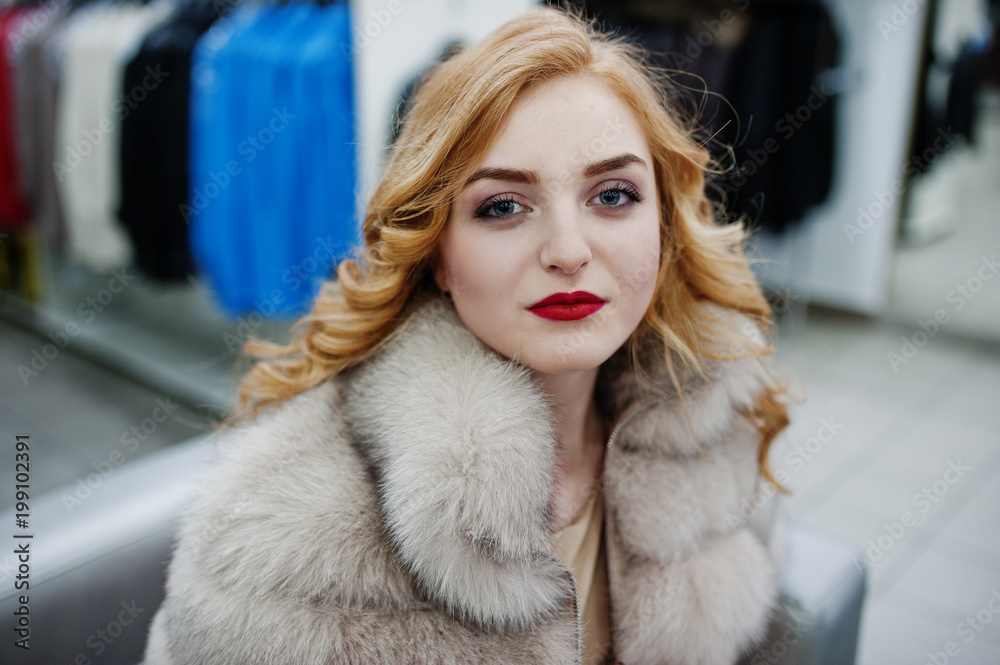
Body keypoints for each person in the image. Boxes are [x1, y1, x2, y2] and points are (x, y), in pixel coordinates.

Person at [142, 7, 791, 665]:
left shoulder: (708, 430)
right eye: (503, 206)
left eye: (614, 195)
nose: (568, 250)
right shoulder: (278, 545)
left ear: (663, 225)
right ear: (439, 255)